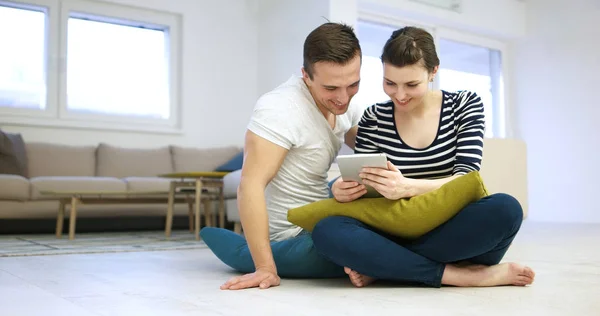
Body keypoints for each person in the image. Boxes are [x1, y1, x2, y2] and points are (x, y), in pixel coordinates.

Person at [311, 26, 536, 288]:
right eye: (390, 83)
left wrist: (406, 186)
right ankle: (461, 275)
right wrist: (344, 189)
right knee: (327, 231)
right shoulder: (373, 118)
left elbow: (467, 179)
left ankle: (387, 267)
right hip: (395, 230)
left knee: (506, 210)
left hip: (451, 227)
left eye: (411, 84)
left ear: (433, 72)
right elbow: (367, 189)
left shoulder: (464, 105)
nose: (400, 95)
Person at [199, 22, 365, 290]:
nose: (343, 98)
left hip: (322, 215)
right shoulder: (279, 108)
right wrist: (265, 268)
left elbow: (377, 149)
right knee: (364, 244)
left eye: (353, 84)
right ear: (306, 76)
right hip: (291, 235)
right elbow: (250, 185)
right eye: (331, 88)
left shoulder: (348, 104)